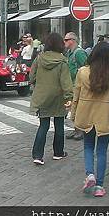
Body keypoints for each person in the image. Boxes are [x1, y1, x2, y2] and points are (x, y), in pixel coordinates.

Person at [70, 42, 109, 197]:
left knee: (87, 146)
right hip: (104, 116)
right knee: (102, 151)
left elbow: (76, 96)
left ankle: (90, 175)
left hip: (86, 115)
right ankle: (99, 186)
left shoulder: (82, 72)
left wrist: (73, 115)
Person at [30, 33, 73, 165]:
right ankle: (58, 152)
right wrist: (69, 97)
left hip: (43, 96)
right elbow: (66, 82)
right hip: (58, 97)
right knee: (59, 124)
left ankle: (37, 155)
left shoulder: (39, 59)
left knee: (44, 125)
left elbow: (32, 77)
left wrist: (40, 86)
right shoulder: (62, 61)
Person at [64, 31, 88, 141]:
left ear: (73, 40)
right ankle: (76, 129)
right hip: (72, 83)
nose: (64, 42)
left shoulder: (79, 53)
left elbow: (86, 67)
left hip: (79, 84)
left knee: (78, 108)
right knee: (74, 107)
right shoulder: (69, 52)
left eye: (66, 40)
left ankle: (80, 130)